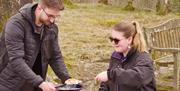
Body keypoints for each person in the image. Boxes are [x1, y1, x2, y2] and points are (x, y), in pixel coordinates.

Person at [0, 0, 78, 91]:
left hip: (35, 82)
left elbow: (55, 56)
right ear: (39, 8)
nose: (52, 20)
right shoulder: (16, 24)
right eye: (50, 16)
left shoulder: (51, 27)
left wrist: (67, 78)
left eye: (56, 16)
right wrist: (40, 83)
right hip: (10, 82)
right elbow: (16, 60)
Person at [95, 21, 157, 91]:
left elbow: (138, 78)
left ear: (129, 39)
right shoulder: (115, 56)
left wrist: (110, 75)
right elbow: (107, 82)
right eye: (111, 39)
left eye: (116, 40)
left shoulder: (144, 58)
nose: (113, 43)